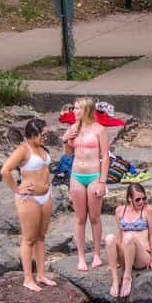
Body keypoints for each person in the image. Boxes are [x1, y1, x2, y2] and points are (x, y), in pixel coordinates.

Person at [0, 118, 58, 292]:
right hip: (29, 198)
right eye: (43, 135)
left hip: (45, 196)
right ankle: (27, 278)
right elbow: (5, 170)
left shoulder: (41, 149)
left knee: (41, 237)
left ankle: (41, 274)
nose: (45, 138)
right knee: (29, 238)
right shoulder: (23, 150)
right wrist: (17, 189)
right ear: (32, 135)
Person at [61, 97, 110, 271]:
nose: (74, 111)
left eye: (77, 108)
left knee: (95, 217)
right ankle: (81, 257)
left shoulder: (99, 130)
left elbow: (105, 158)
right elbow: (68, 154)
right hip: (77, 175)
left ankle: (97, 254)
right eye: (74, 108)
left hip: (94, 175)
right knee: (80, 218)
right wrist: (66, 139)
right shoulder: (74, 128)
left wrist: (102, 182)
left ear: (86, 110)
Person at [104, 183, 152, 299]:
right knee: (109, 238)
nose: (142, 202)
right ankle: (115, 279)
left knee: (128, 237)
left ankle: (127, 277)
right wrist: (114, 260)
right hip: (126, 255)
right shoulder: (120, 211)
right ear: (130, 199)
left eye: (144, 198)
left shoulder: (148, 210)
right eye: (138, 199)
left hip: (142, 256)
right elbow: (120, 235)